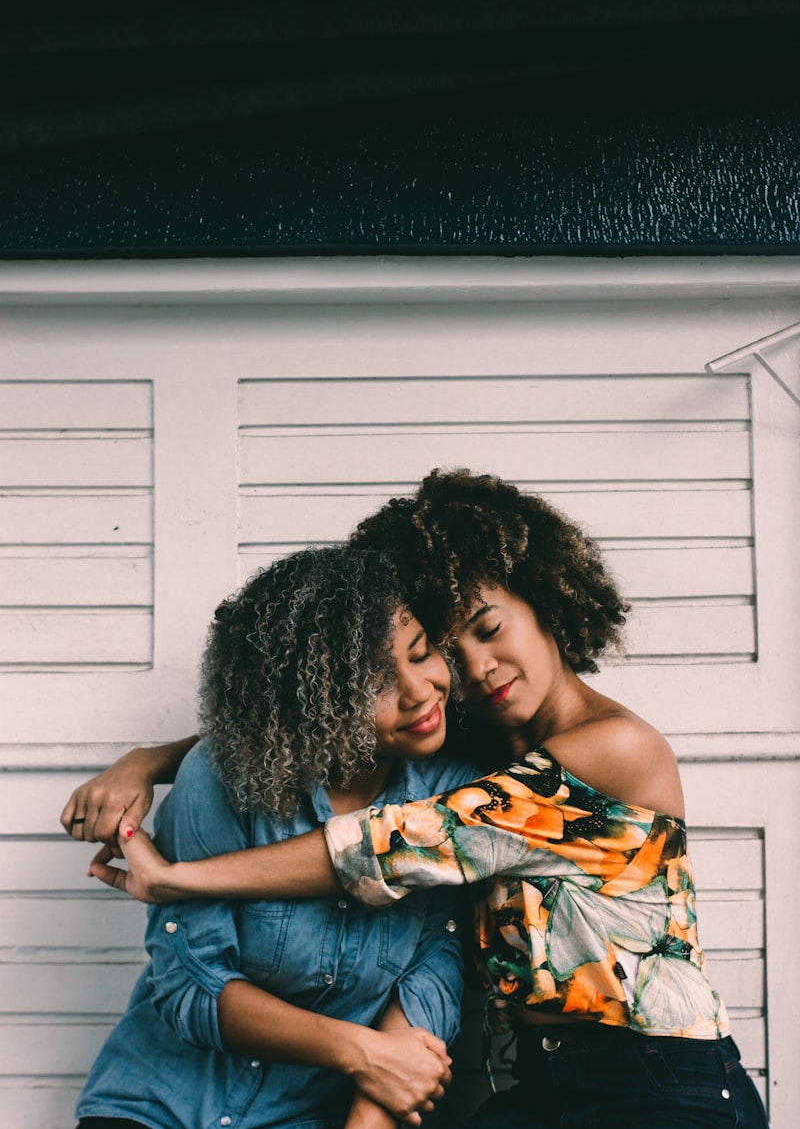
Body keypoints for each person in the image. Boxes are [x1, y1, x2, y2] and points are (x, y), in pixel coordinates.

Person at [68, 470, 769, 1129]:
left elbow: (400, 846)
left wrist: (177, 878)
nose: (477, 667)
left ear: (545, 596)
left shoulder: (612, 747)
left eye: (490, 629)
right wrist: (151, 760)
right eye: (448, 648)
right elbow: (303, 720)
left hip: (663, 1080)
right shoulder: (488, 756)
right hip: (545, 1088)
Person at [69, 544, 482, 1129]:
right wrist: (362, 1054)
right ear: (312, 704)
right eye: (374, 686)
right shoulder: (220, 780)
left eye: (421, 654)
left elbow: (433, 967)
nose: (419, 692)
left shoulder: (460, 796)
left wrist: (373, 1107)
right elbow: (191, 985)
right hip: (161, 1103)